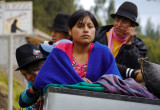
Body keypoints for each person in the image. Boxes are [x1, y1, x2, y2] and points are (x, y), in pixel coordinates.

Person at [34, 10, 122, 89]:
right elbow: (42, 79)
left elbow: (116, 83)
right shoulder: (61, 50)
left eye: (90, 26)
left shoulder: (103, 52)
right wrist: (80, 83)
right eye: (80, 26)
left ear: (95, 30)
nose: (86, 30)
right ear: (70, 31)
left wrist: (93, 86)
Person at [93, 1, 147, 80]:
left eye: (124, 22)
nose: (119, 24)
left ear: (132, 25)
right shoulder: (98, 34)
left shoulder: (139, 45)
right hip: (95, 79)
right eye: (117, 20)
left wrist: (129, 45)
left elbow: (136, 70)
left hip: (119, 85)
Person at [15, 44, 46, 109]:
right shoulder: (34, 84)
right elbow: (22, 102)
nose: (28, 78)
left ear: (42, 65)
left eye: (30, 72)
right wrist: (34, 88)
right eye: (24, 74)